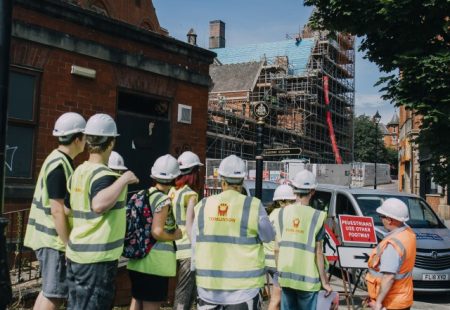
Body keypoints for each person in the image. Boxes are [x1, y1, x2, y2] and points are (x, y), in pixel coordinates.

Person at [65, 113, 139, 309]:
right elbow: (98, 204)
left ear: (88, 140)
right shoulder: (105, 175)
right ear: (112, 143)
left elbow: (66, 210)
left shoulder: (79, 172)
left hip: (76, 255)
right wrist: (124, 179)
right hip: (96, 260)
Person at [190, 154, 275, 309]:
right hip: (243, 291)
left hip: (208, 288)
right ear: (242, 181)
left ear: (222, 180)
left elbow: (194, 241)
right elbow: (269, 236)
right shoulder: (253, 206)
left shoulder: (203, 205)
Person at [24, 112, 86, 309]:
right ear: (77, 139)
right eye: (84, 137)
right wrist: (67, 243)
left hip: (47, 238)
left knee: (49, 291)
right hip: (53, 240)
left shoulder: (57, 160)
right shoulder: (60, 165)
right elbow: (57, 210)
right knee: (55, 294)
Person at [127, 154, 183, 310]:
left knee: (137, 300)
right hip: (154, 264)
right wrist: (175, 235)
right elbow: (157, 232)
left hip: (137, 261)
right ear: (174, 177)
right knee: (151, 304)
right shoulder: (162, 200)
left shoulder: (141, 194)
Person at [274, 170, 332, 310]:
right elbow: (318, 252)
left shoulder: (281, 213)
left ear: (294, 190)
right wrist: (324, 281)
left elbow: (277, 249)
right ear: (312, 191)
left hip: (286, 277)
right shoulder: (317, 216)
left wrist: (279, 273)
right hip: (308, 281)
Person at [365, 198, 416, 310]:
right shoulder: (408, 233)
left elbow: (389, 277)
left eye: (381, 216)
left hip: (390, 302)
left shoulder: (393, 245)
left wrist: (378, 303)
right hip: (403, 298)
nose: (381, 219)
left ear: (389, 219)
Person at [170, 151, 203, 310]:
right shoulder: (190, 194)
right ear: (194, 172)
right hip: (188, 250)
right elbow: (190, 225)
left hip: (175, 247)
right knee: (185, 293)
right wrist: (197, 248)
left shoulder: (172, 192)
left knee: (183, 290)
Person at [264, 184, 296, 310]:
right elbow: (282, 242)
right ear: (283, 201)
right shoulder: (285, 215)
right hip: (277, 262)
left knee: (279, 299)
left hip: (267, 260)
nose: (294, 204)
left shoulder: (271, 214)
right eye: (292, 201)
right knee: (276, 300)